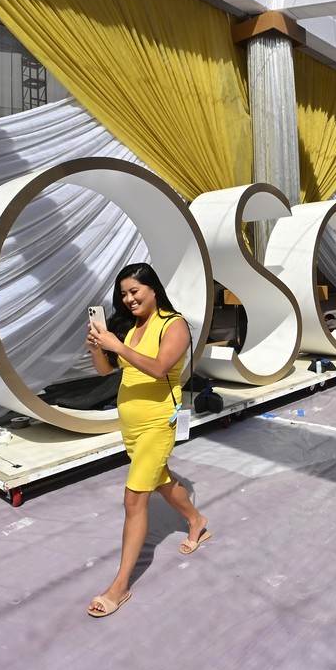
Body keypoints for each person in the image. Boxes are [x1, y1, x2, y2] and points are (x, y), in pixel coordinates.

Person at [83, 262, 210, 618]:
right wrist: (98, 347)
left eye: (134, 291)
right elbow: (106, 371)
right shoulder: (130, 327)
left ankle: (119, 586)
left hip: (158, 423)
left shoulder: (174, 324)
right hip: (132, 424)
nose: (128, 299)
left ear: (153, 289)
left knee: (134, 498)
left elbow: (158, 367)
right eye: (123, 294)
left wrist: (116, 345)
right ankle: (196, 520)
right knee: (160, 481)